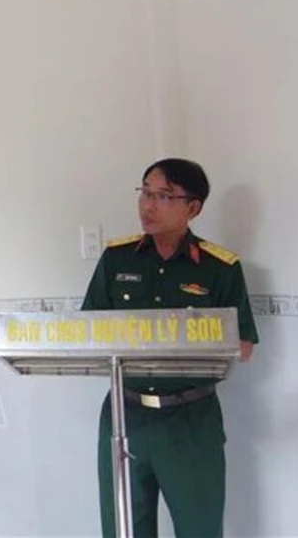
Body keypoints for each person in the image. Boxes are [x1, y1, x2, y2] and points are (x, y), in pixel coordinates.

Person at [81, 158, 259, 538]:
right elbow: (88, 332)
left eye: (163, 196)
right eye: (145, 192)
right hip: (124, 416)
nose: (148, 205)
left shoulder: (220, 268)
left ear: (192, 207)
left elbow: (243, 346)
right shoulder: (117, 259)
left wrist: (194, 339)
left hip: (191, 420)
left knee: (199, 529)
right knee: (123, 529)